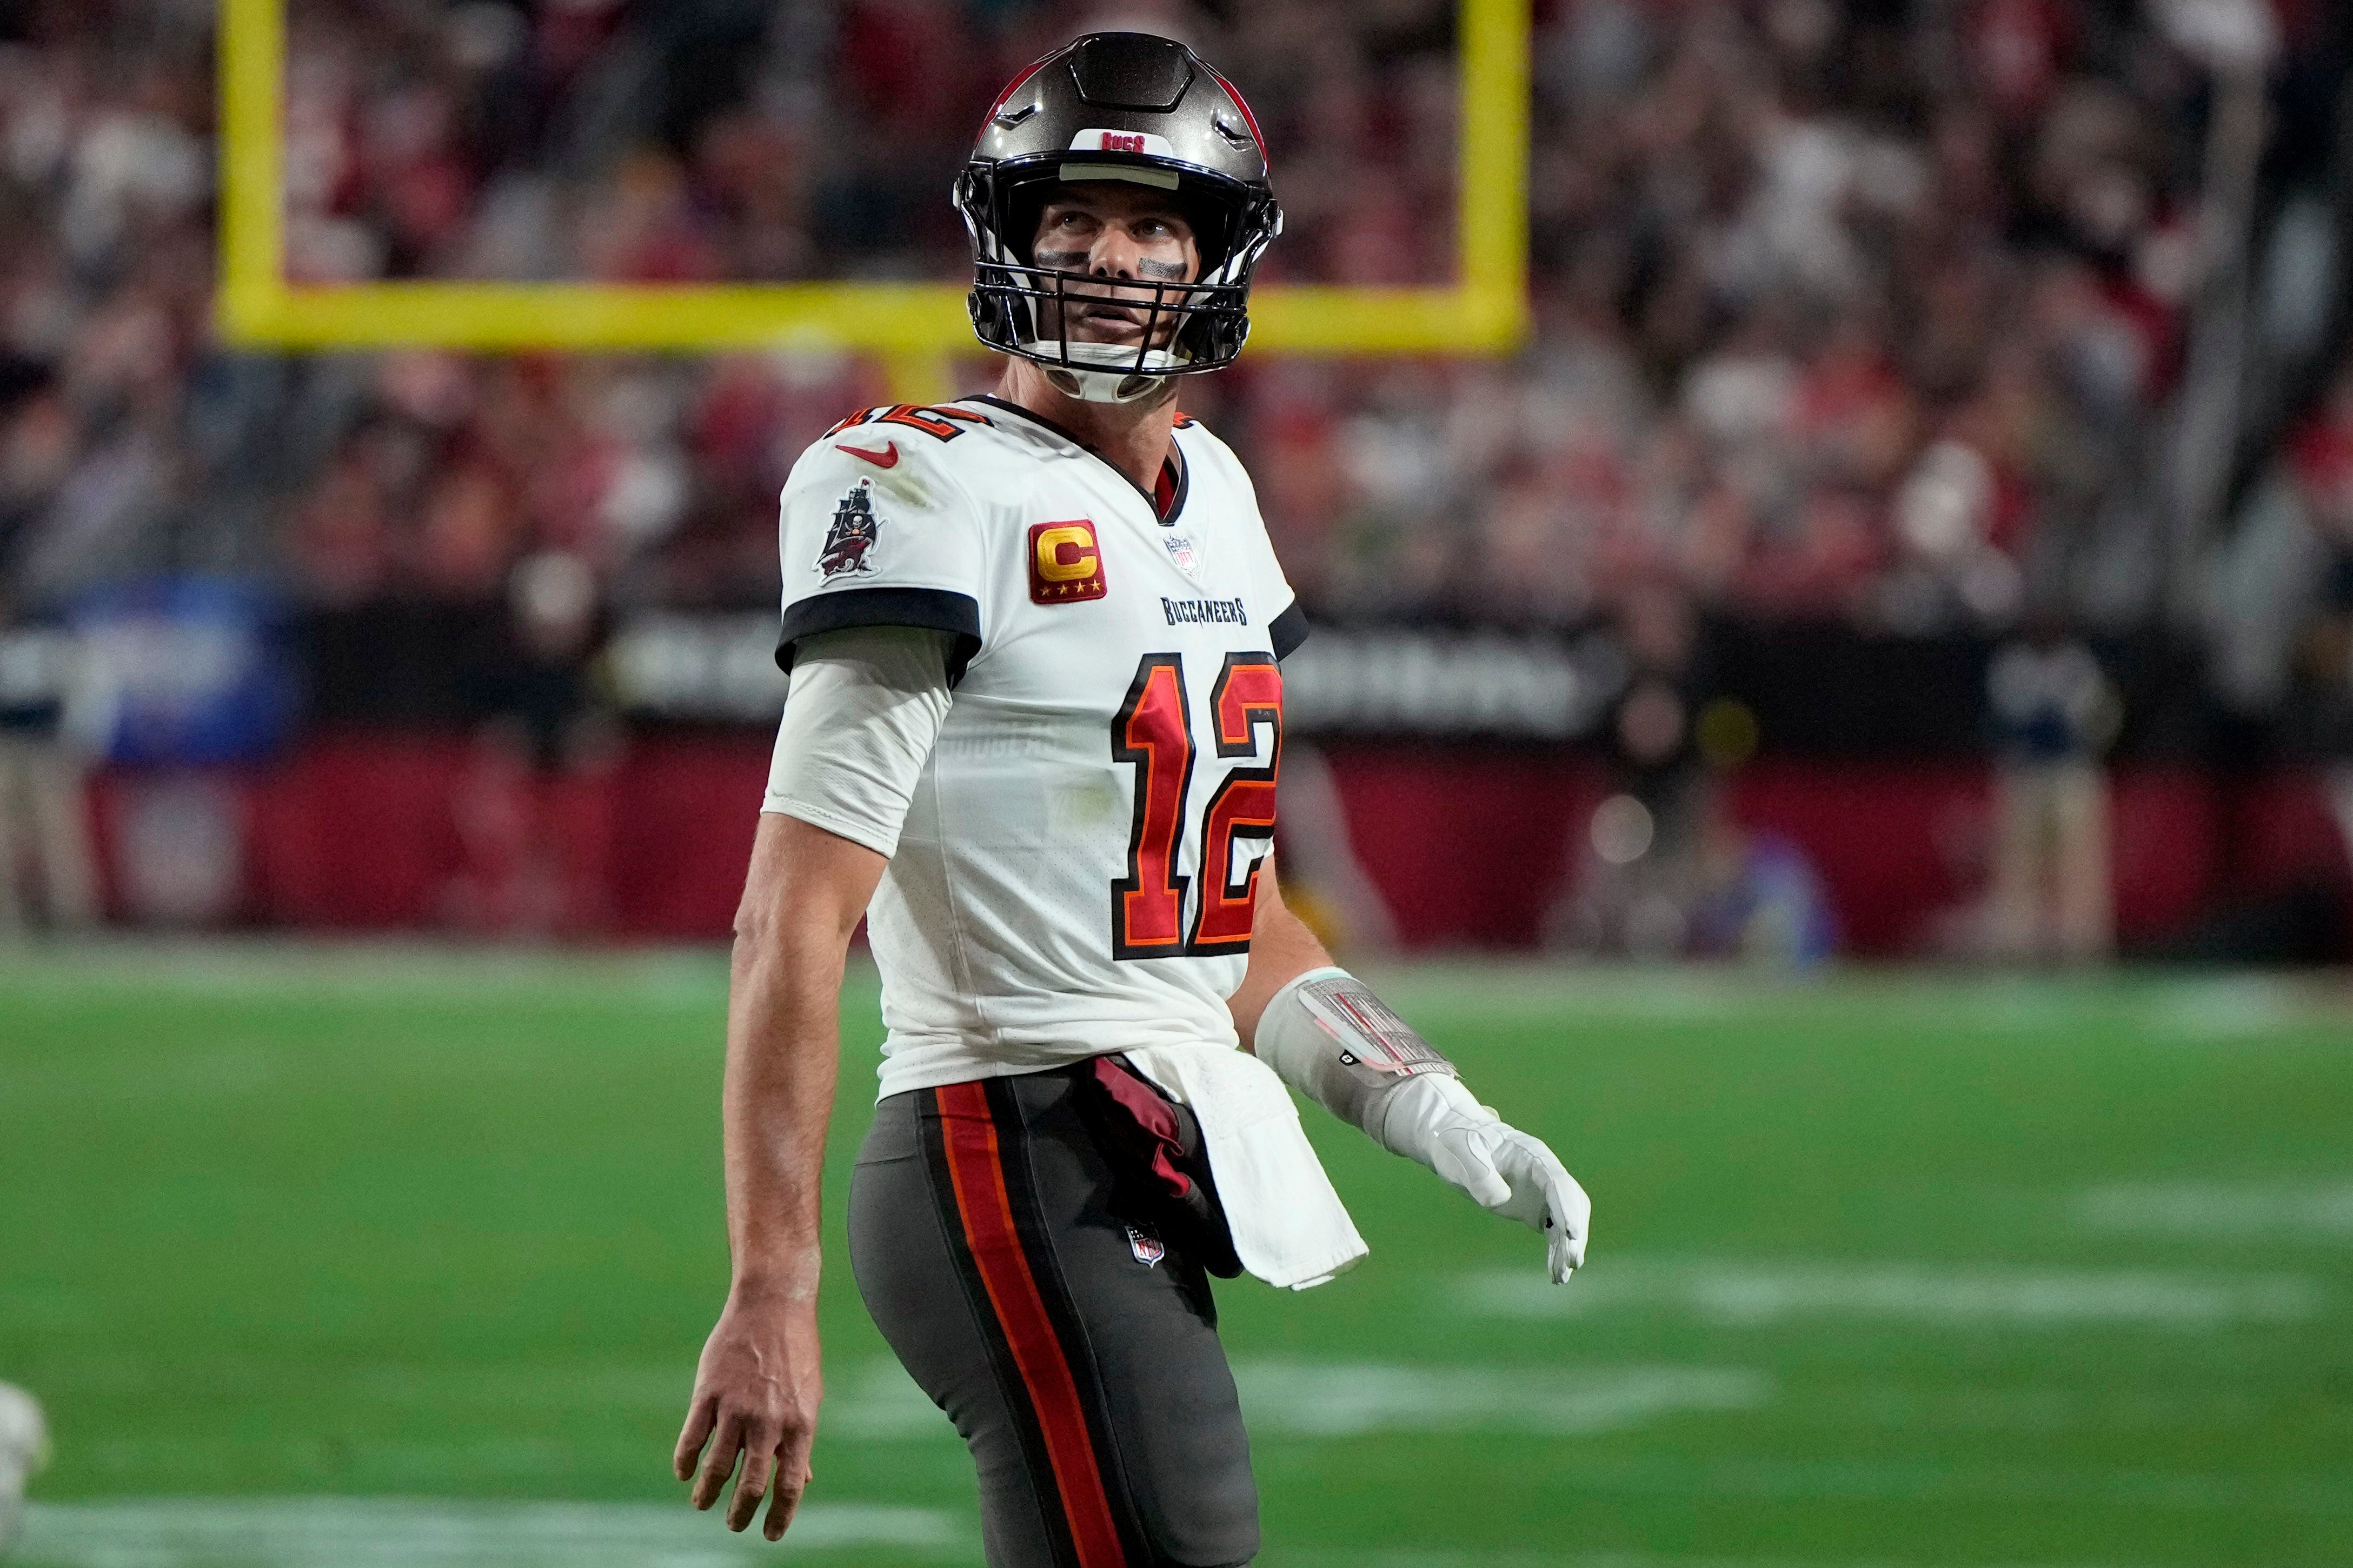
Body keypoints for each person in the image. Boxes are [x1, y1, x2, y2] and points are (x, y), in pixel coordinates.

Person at [672, 34, 1591, 1568]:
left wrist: (1434, 1110)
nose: (1108, 255)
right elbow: (792, 914)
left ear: (1215, 259)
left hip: (1131, 1148)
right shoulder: (921, 484)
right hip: (1004, 1136)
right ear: (1008, 240)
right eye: (1072, 219)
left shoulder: (1216, 500)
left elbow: (1239, 929)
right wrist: (772, 1283)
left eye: (1156, 224)